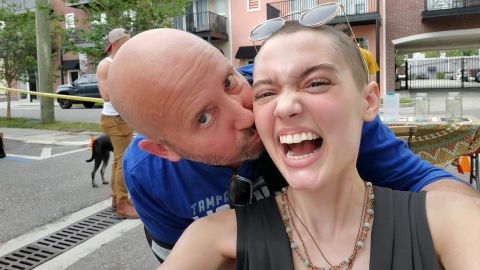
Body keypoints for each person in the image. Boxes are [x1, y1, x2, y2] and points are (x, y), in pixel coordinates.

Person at [107, 28, 478, 262]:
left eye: (229, 82)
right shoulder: (149, 176)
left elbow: (435, 189)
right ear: (165, 150)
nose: (250, 113)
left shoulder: (299, 99)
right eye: (204, 118)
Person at [96, 28, 137, 218]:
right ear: (115, 44)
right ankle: (122, 204)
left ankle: (116, 199)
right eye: (126, 42)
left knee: (119, 160)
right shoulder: (106, 65)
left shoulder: (121, 63)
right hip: (115, 119)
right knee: (123, 161)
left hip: (121, 118)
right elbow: (106, 95)